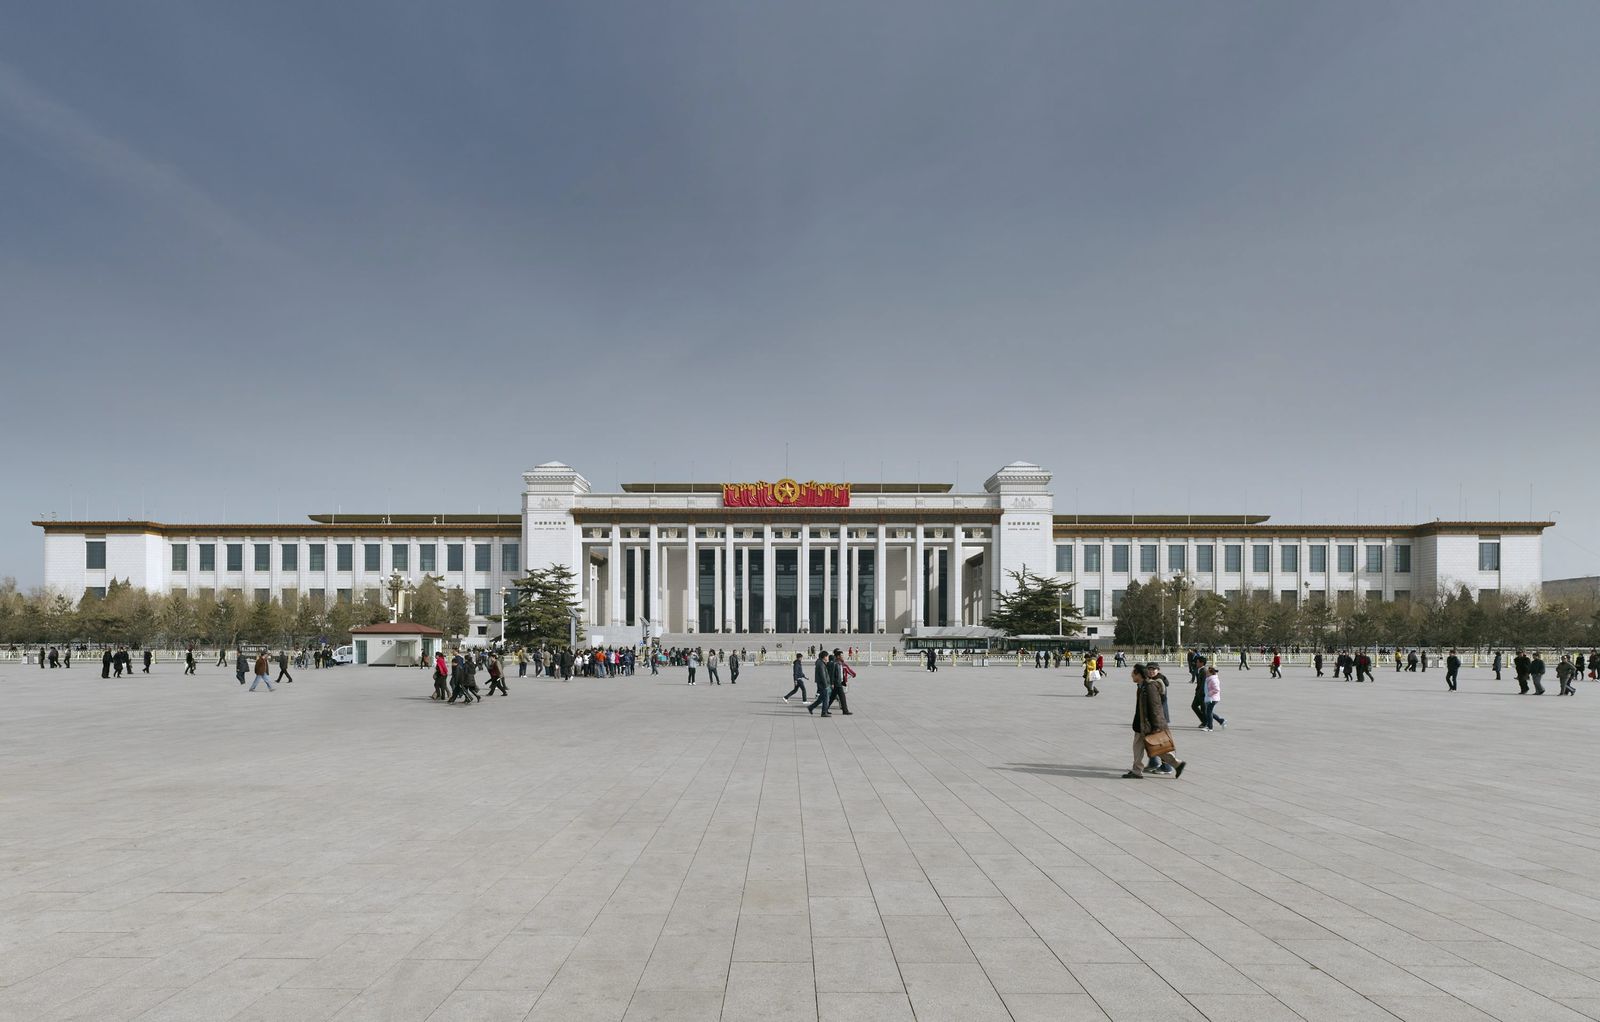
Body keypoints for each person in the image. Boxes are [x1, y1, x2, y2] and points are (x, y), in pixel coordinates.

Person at [1124, 663, 1185, 779]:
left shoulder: (1149, 687)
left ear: (1138, 674)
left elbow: (1155, 707)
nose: (1131, 675)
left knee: (1157, 748)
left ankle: (1176, 764)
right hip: (1141, 724)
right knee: (1140, 748)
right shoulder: (1142, 686)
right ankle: (1137, 770)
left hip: (1148, 725)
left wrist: (1157, 726)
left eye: (1133, 673)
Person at [828, 648, 854, 715]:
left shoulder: (840, 664)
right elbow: (832, 674)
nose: (843, 657)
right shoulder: (835, 664)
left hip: (839, 682)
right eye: (841, 656)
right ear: (838, 656)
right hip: (837, 683)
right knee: (842, 697)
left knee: (832, 697)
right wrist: (832, 683)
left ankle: (823, 708)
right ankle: (845, 711)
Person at [807, 651, 833, 716]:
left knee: (821, 698)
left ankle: (811, 707)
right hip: (823, 684)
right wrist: (826, 685)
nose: (828, 658)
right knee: (826, 698)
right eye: (827, 656)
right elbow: (822, 675)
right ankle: (824, 712)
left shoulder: (821, 663)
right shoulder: (821, 664)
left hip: (822, 683)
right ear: (824, 657)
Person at [1202, 666, 1226, 731]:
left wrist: (1209, 694)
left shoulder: (1213, 680)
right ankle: (1221, 721)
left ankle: (1210, 727)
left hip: (1213, 698)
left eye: (1207, 673)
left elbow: (1217, 689)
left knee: (1208, 712)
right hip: (1210, 698)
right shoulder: (1209, 679)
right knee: (1209, 712)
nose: (1206, 674)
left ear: (1211, 673)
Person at [1189, 655, 1208, 725]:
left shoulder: (1204, 671)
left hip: (1202, 694)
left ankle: (1205, 722)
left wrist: (1200, 693)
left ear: (1202, 663)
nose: (1196, 663)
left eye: (1197, 662)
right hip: (1198, 693)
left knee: (1204, 709)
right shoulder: (1200, 670)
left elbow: (1203, 684)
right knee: (1194, 706)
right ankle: (1204, 721)